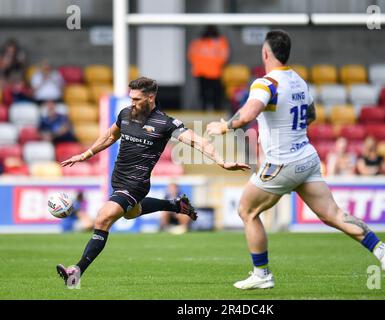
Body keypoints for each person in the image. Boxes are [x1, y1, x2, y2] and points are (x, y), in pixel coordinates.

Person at [207, 30, 385, 290]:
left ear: (266, 53)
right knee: (333, 214)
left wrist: (225, 127)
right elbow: (311, 114)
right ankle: (381, 248)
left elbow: (248, 113)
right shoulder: (298, 81)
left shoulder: (266, 83)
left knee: (247, 210)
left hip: (282, 162)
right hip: (306, 158)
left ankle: (262, 273)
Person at [56, 77, 249, 287]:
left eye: (137, 99)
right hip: (118, 180)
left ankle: (76, 272)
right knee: (132, 213)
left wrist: (222, 161)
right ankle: (175, 205)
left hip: (136, 184)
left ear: (150, 97)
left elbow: (198, 141)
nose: (132, 103)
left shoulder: (165, 123)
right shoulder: (125, 114)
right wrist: (86, 154)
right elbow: (110, 136)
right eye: (131, 98)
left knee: (102, 219)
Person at [187, 25, 229, 110]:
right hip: (210, 72)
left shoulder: (199, 42)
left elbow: (191, 55)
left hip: (207, 72)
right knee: (211, 95)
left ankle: (208, 110)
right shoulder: (219, 42)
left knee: (208, 95)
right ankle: (212, 111)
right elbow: (224, 56)